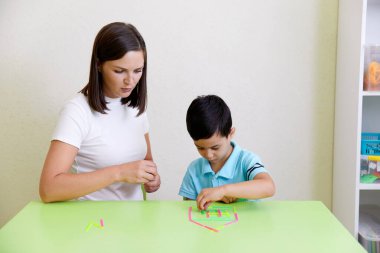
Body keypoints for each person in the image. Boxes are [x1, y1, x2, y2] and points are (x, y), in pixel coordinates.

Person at [39, 22, 160, 202]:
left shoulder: (135, 106)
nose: (130, 81)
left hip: (135, 222)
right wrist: (119, 173)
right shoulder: (77, 111)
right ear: (99, 65)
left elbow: (146, 161)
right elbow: (49, 189)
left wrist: (152, 178)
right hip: (94, 224)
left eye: (138, 71)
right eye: (120, 71)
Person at [178, 95, 275, 210]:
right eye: (200, 148)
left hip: (248, 227)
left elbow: (269, 187)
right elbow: (189, 208)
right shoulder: (194, 169)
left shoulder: (246, 160)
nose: (208, 155)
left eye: (215, 147)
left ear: (230, 133)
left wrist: (224, 190)